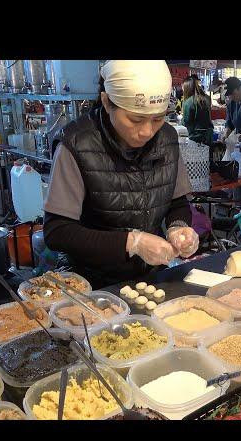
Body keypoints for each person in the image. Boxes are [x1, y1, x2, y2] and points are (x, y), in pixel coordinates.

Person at [43, 60, 199, 288]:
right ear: (107, 103)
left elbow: (177, 203)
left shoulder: (167, 139)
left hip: (150, 277)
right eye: (135, 119)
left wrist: (178, 227)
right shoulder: (76, 144)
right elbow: (57, 232)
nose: (147, 131)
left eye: (157, 118)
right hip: (92, 284)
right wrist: (132, 243)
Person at [182, 76, 214, 145]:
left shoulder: (188, 102)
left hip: (196, 137)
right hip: (209, 135)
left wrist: (181, 120)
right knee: (207, 155)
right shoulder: (206, 98)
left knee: (198, 155)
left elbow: (186, 121)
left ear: (187, 88)